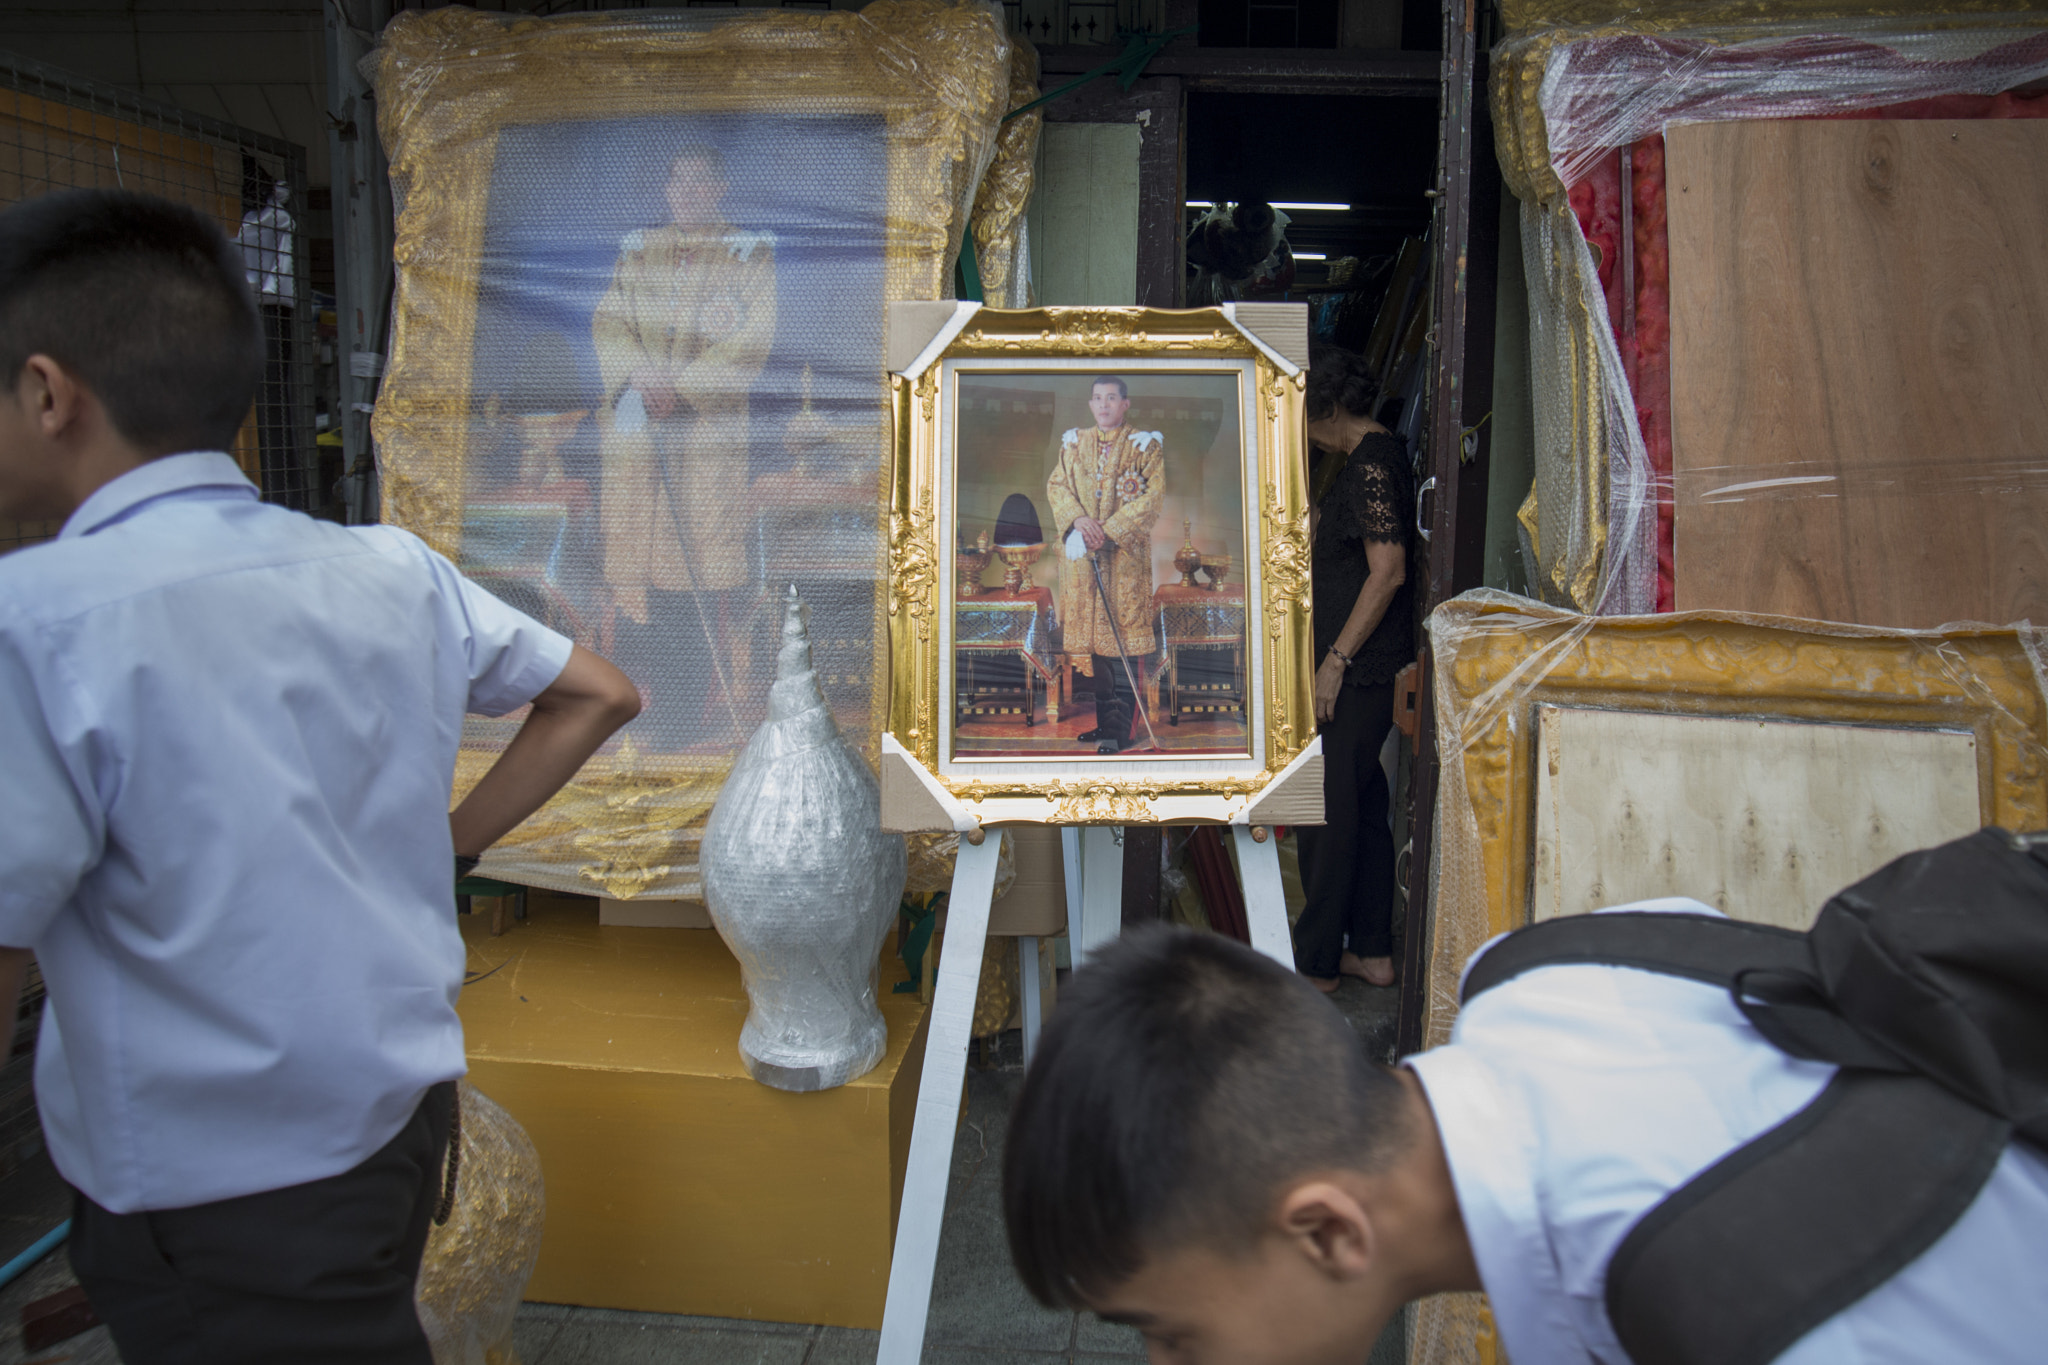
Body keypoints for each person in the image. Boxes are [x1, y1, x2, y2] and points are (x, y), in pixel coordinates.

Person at [0, 189, 642, 1363]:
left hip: (218, 1191)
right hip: (397, 1129)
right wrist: (449, 842)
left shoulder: (36, 622)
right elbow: (598, 692)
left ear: (49, 395)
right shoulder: (389, 570)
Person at [1003, 923, 2048, 1365]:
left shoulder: (1730, 1308)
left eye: (1176, 1339)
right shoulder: (1537, 971)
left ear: (1325, 1231)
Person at [591, 144, 776, 740]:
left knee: (690, 580)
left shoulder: (748, 251)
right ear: (668, 191)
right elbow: (608, 322)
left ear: (720, 188)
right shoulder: (640, 250)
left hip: (704, 441)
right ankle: (645, 712)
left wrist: (685, 386)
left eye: (701, 183)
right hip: (640, 438)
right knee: (638, 578)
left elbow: (755, 335)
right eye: (680, 183)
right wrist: (640, 377)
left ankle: (684, 717)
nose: (689, 193)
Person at [1294, 344, 1414, 992]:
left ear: (1328, 406)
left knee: (1325, 810)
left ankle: (1315, 961)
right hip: (1367, 666)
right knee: (1364, 805)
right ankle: (1369, 950)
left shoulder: (1370, 463)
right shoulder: (1365, 460)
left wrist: (1335, 661)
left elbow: (1387, 570)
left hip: (1362, 670)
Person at [1046, 376, 1164, 753]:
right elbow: (1057, 486)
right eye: (1097, 398)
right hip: (1084, 564)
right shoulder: (1074, 443)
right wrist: (1078, 522)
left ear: (1125, 404)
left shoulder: (1144, 446)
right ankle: (1104, 726)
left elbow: (1152, 498)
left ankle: (1120, 732)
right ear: (1090, 403)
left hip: (1123, 565)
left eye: (1111, 398)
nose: (1103, 405)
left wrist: (1108, 531)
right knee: (1096, 652)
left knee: (1120, 647)